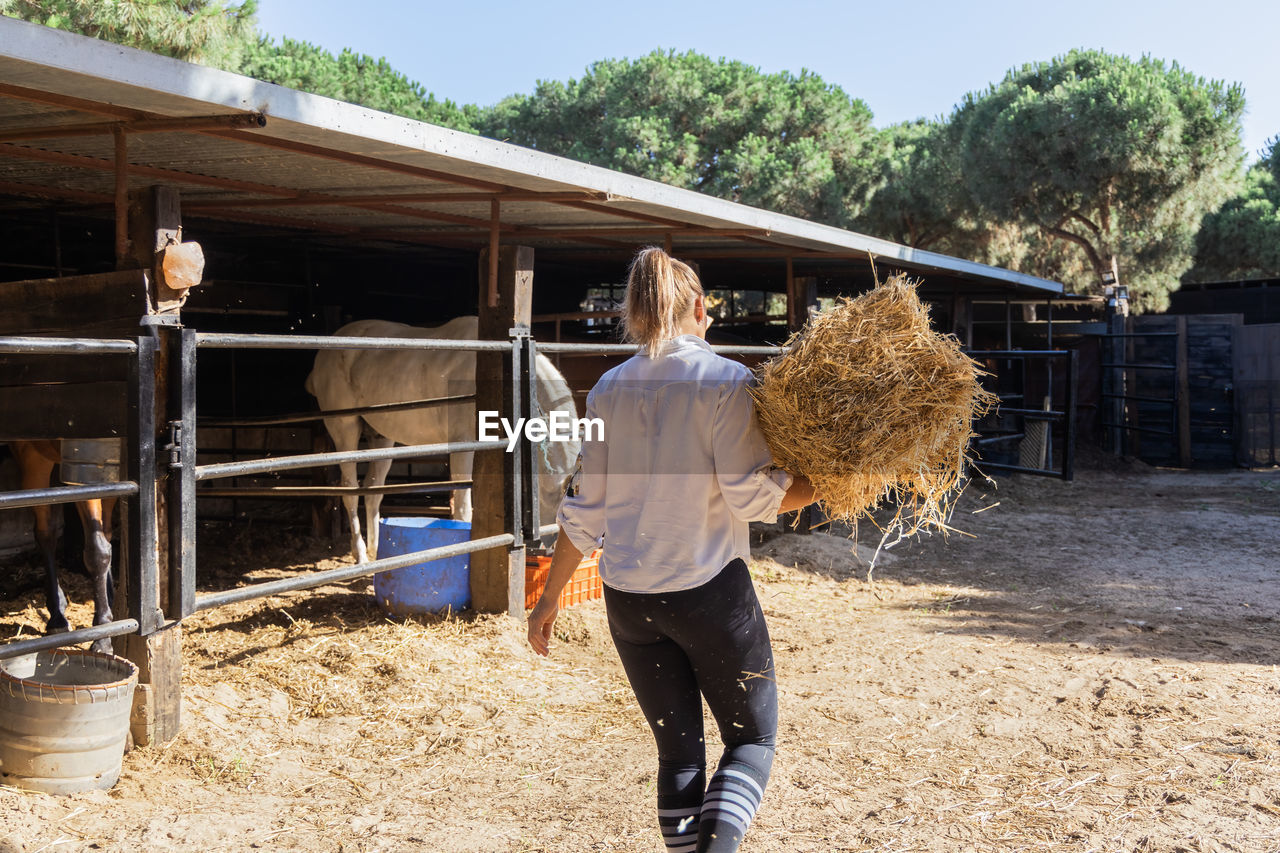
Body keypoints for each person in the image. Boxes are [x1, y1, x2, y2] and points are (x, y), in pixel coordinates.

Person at [527, 247, 816, 852]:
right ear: (701, 308)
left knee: (679, 750)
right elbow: (753, 498)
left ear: (636, 313)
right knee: (753, 743)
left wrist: (548, 600)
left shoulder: (607, 388)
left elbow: (584, 512)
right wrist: (830, 488)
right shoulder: (727, 382)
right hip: (707, 590)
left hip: (629, 600)